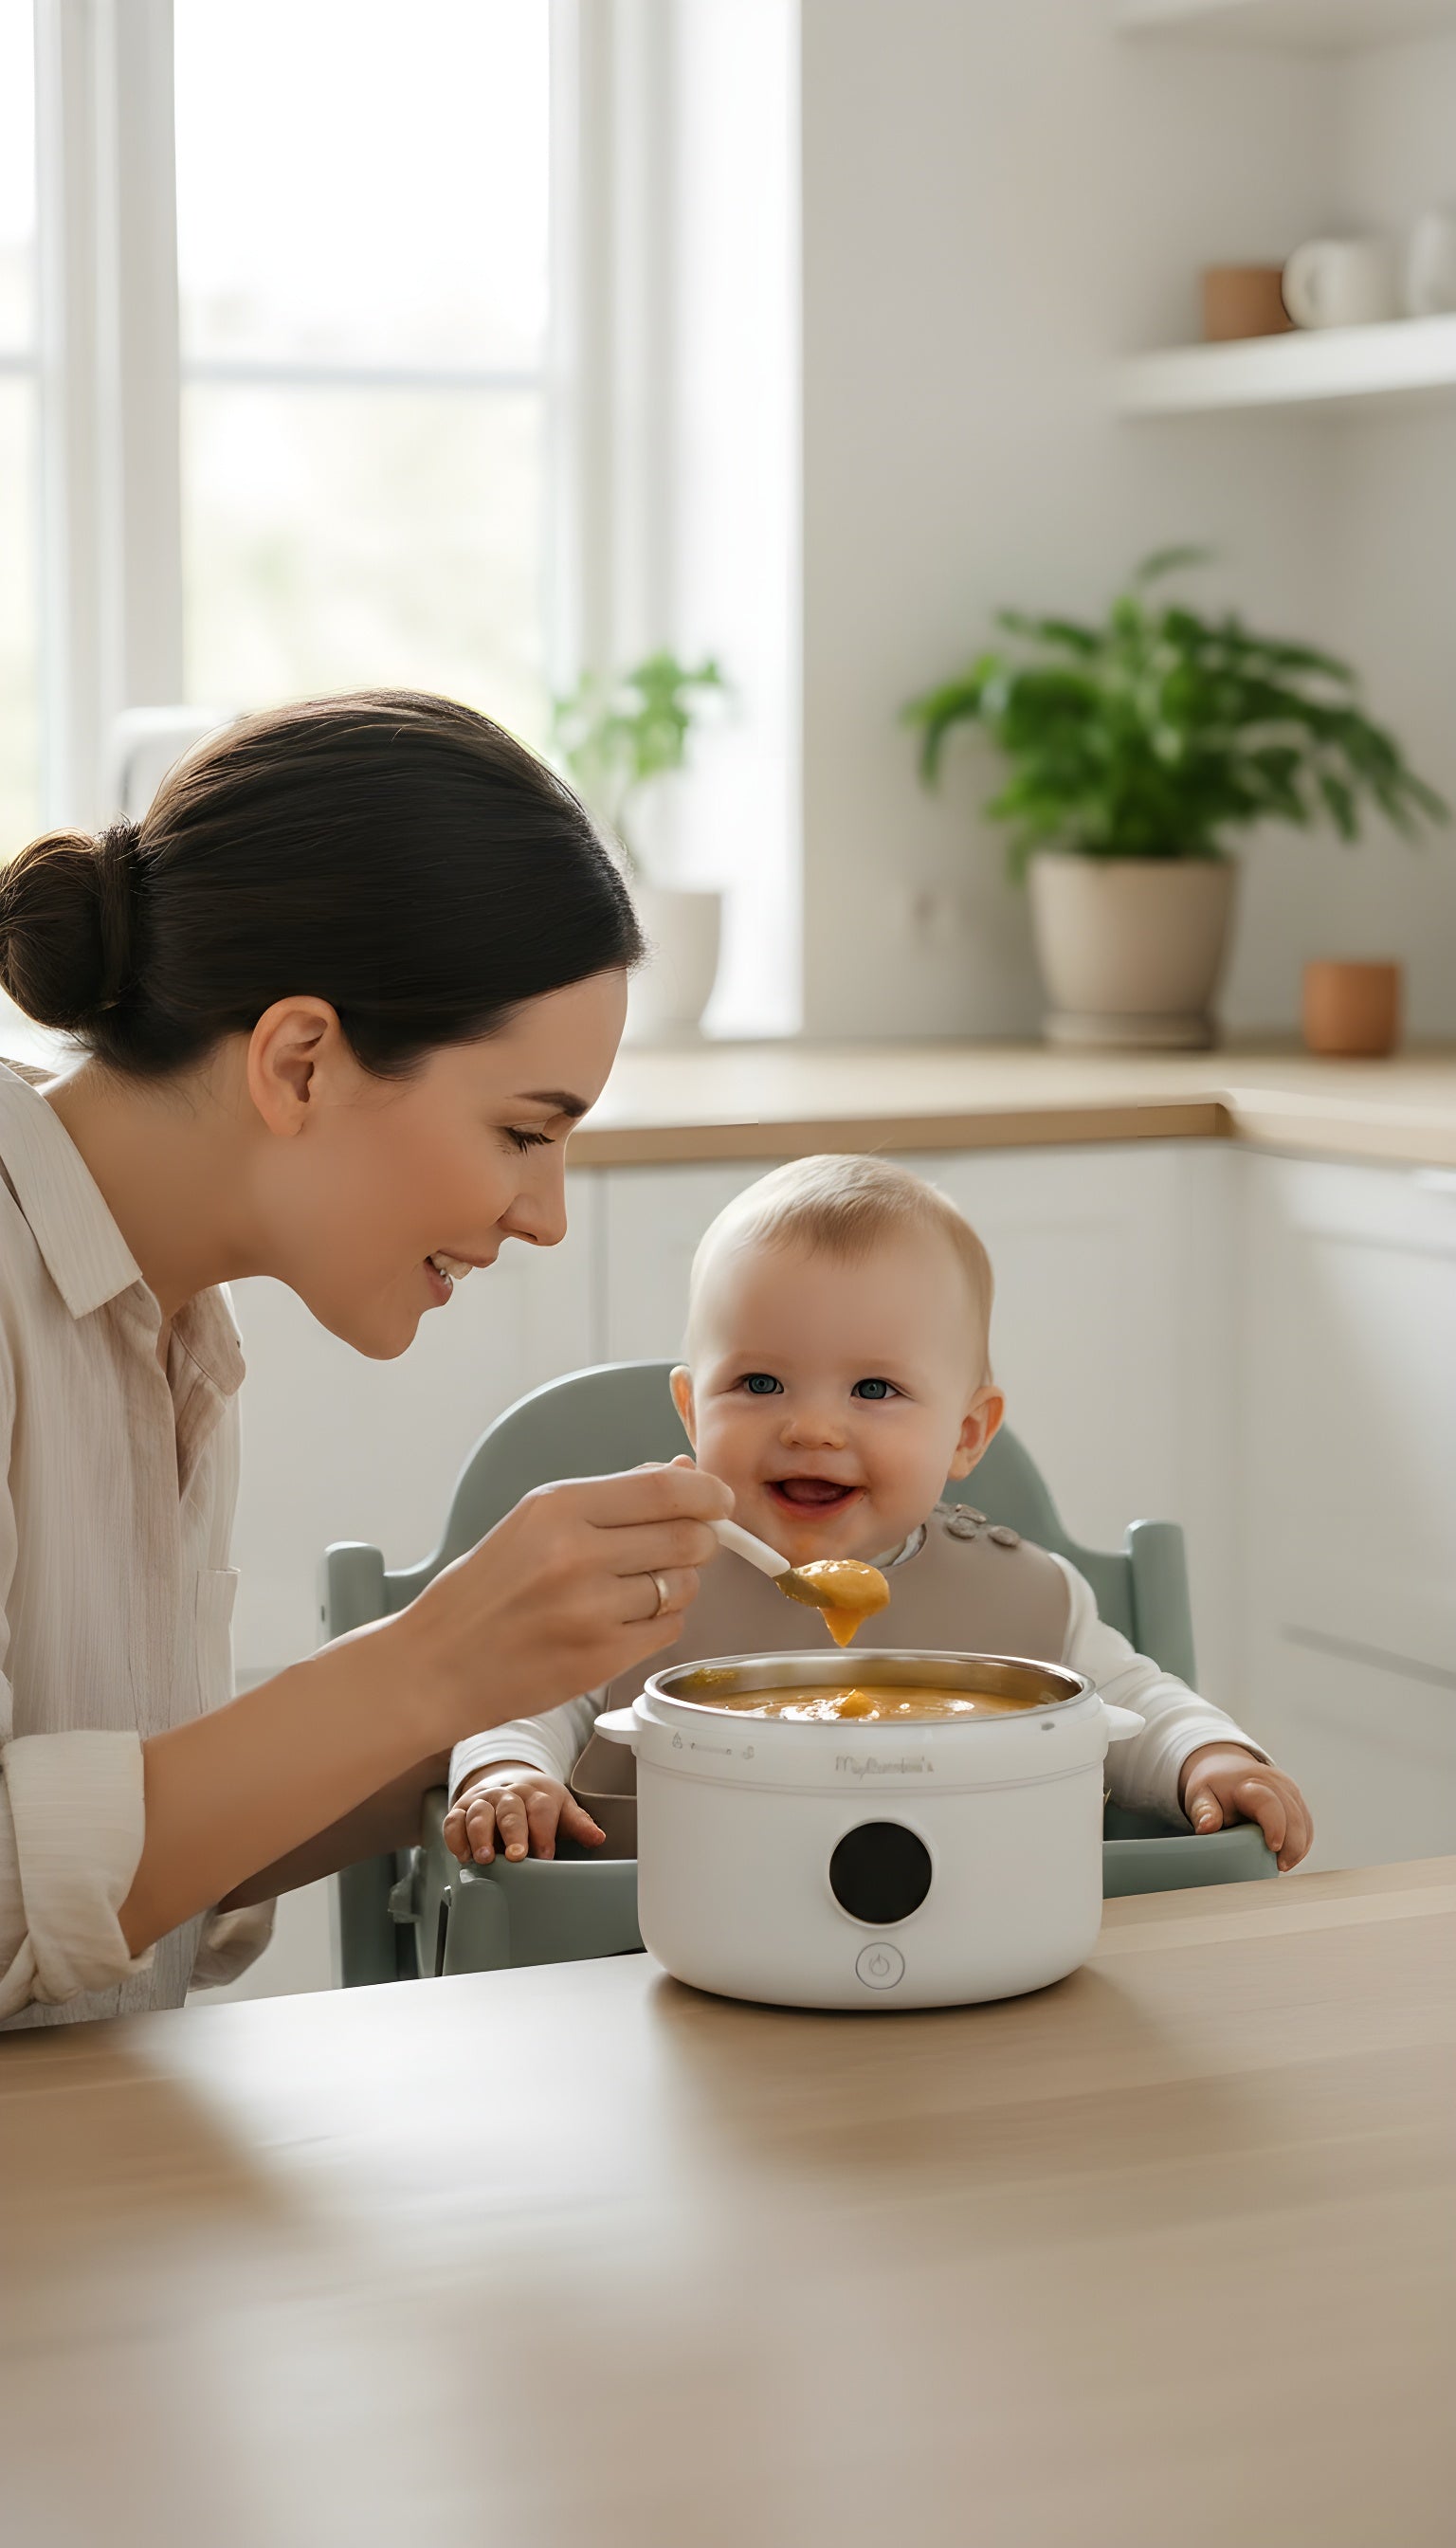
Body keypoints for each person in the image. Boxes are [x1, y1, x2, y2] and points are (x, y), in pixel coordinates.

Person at [0, 690, 731, 2028]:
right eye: (524, 1133)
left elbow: (98, 1865)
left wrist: (497, 1712)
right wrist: (429, 1662)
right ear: (300, 1064)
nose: (547, 1217)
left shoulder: (168, 1329)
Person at [446, 1154, 1313, 1873]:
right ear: (691, 1412)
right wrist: (508, 1771)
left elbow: (1131, 1706)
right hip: (643, 1974)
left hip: (980, 1971)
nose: (812, 1428)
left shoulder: (1025, 1603)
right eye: (759, 1382)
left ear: (966, 1434)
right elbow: (522, 1698)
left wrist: (1210, 1756)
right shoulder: (639, 1582)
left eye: (874, 1389)